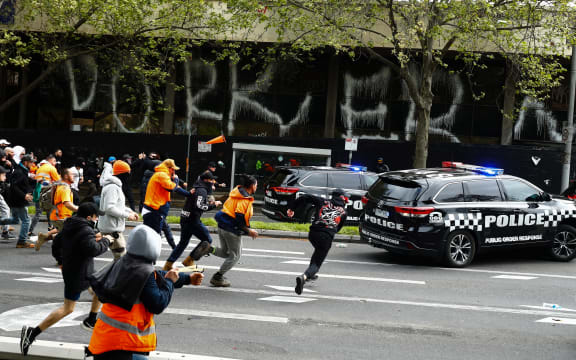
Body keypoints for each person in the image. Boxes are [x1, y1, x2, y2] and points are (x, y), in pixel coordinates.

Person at [86, 225, 204, 360]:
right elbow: (158, 304)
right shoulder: (143, 272)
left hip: (106, 341)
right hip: (122, 345)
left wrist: (187, 278)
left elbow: (158, 276)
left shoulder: (125, 262)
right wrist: (170, 282)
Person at [19, 203, 110, 356]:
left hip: (75, 270)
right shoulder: (85, 230)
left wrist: (60, 261)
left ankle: (92, 319)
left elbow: (57, 243)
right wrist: (106, 241)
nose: (97, 219)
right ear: (89, 217)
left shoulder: (70, 225)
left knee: (100, 290)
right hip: (79, 274)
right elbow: (93, 249)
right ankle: (32, 333)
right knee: (68, 308)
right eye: (96, 216)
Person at [192, 175, 258, 287]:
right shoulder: (244, 200)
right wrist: (248, 231)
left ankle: (208, 248)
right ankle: (218, 277)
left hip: (222, 226)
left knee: (226, 252)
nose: (257, 187)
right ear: (252, 186)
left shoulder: (235, 193)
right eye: (256, 185)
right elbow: (239, 219)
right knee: (235, 256)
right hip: (231, 230)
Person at [287, 188, 348, 295]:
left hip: (313, 233)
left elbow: (305, 197)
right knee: (317, 262)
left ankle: (311, 274)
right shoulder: (344, 212)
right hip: (326, 237)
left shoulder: (322, 201)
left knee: (317, 252)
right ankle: (304, 277)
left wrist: (292, 208)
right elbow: (338, 228)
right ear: (343, 198)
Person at [163, 171, 221, 271]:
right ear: (206, 180)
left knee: (183, 243)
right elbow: (199, 206)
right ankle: (189, 260)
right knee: (207, 240)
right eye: (212, 180)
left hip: (185, 217)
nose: (213, 182)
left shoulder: (197, 188)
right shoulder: (202, 190)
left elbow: (197, 201)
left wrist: (209, 202)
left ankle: (168, 265)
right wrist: (214, 205)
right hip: (192, 220)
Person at [99, 160, 139, 260]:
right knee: (122, 259)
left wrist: (130, 211)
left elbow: (117, 205)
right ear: (122, 174)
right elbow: (110, 208)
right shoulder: (112, 187)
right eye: (127, 174)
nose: (129, 177)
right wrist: (127, 215)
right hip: (112, 229)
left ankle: (111, 275)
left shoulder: (115, 186)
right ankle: (107, 276)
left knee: (120, 259)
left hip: (113, 227)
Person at [36, 168, 78, 254]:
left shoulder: (59, 185)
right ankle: (62, 258)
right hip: (61, 217)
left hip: (57, 215)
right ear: (66, 176)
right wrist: (80, 209)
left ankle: (45, 237)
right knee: (73, 236)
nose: (74, 176)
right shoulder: (64, 188)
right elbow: (67, 203)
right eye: (72, 174)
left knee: (65, 234)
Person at [142, 159, 190, 234]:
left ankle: (173, 245)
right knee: (155, 234)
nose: (174, 172)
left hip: (157, 209)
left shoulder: (164, 175)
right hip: (155, 208)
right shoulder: (162, 175)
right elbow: (172, 188)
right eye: (173, 170)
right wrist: (176, 180)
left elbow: (176, 188)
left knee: (160, 231)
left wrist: (189, 194)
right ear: (169, 168)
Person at [6, 154, 36, 248]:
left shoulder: (23, 171)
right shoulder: (19, 172)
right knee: (26, 220)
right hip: (18, 200)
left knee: (15, 219)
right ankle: (22, 242)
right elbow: (14, 186)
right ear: (25, 162)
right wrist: (24, 196)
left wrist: (35, 181)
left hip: (16, 199)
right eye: (31, 162)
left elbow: (23, 184)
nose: (32, 164)